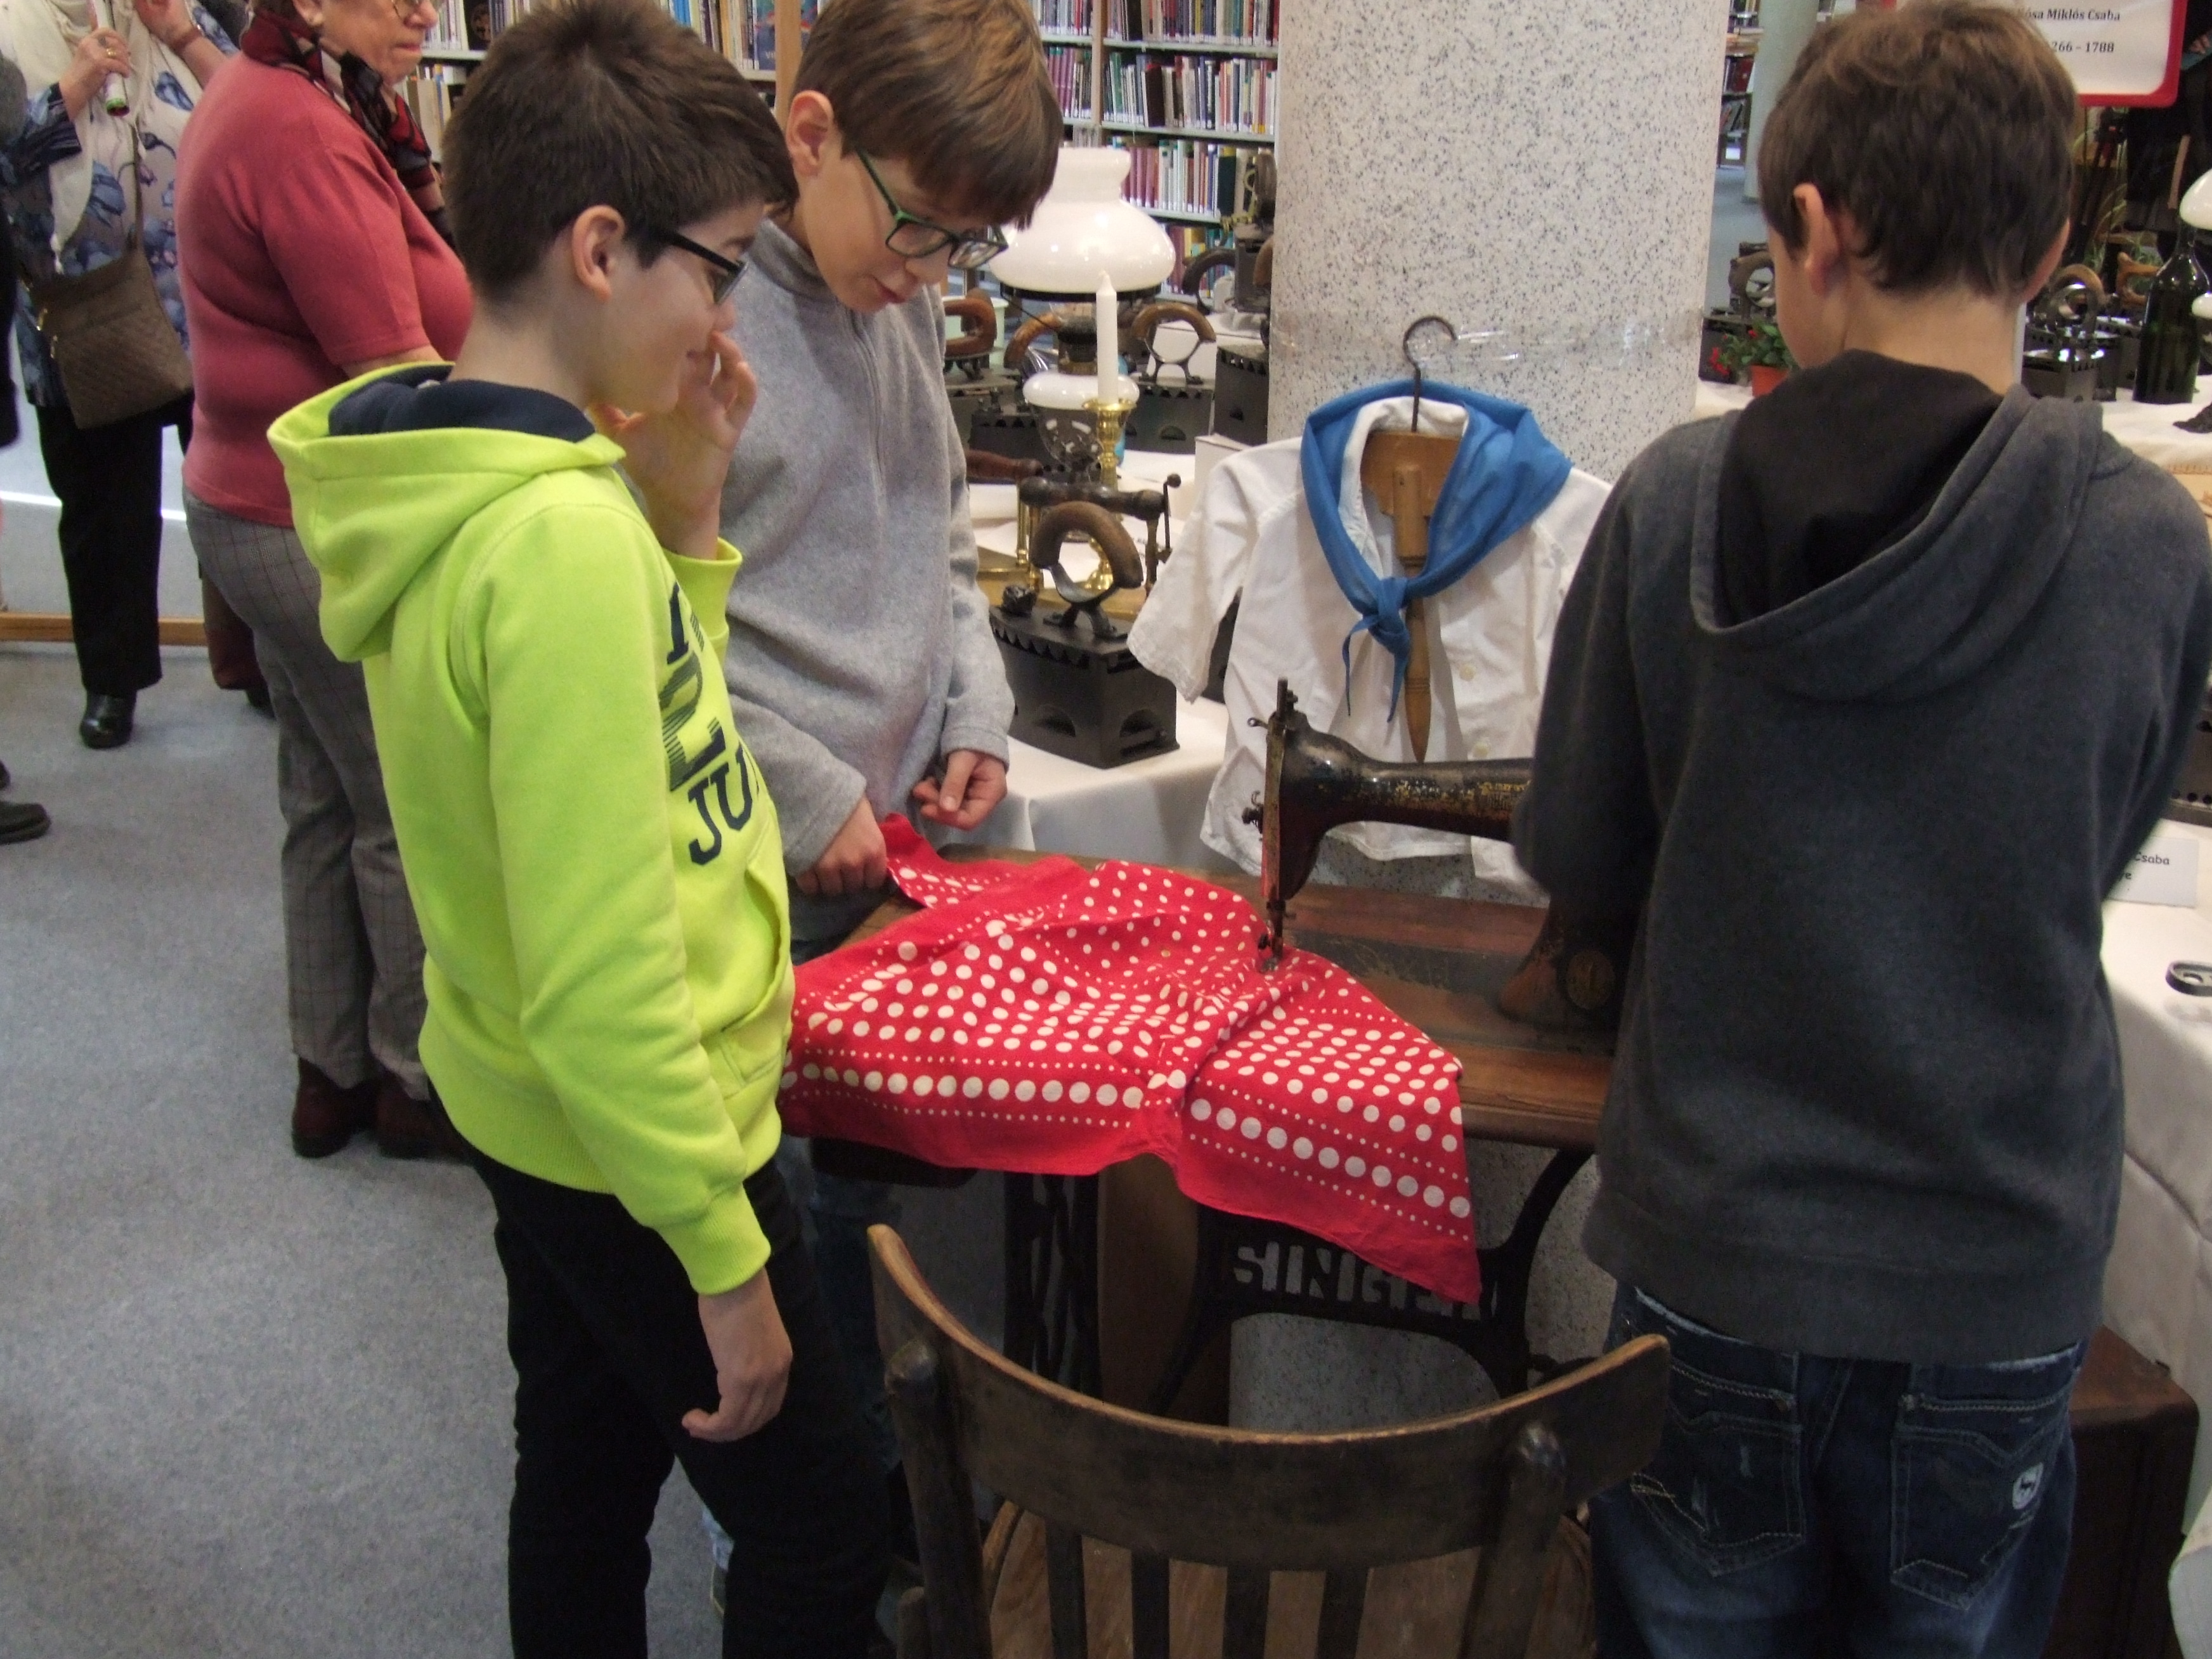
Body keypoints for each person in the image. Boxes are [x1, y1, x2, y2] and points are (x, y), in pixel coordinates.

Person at [1513, 4, 2212, 1652]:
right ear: (2052, 245)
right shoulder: (2148, 545)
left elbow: (1582, 848)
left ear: (1814, 232)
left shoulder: (1677, 499)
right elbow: (2103, 842)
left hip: (1720, 1241)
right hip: (1993, 1260)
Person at [270, 1, 890, 1651]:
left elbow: (645, 749)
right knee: (825, 1526)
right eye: (723, 268)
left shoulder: (466, 472)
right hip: (645, 1137)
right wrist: (725, 1261)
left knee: (587, 1462)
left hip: (537, 1107)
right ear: (605, 250)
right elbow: (606, 965)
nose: (727, 319)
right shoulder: (554, 543)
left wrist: (683, 516)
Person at [705, 0, 1058, 1587]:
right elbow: (651, 634)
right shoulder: (705, 328)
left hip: (900, 843)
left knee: (888, 1207)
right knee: (799, 1219)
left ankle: (901, 1496)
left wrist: (974, 706)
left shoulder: (891, 295)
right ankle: (841, 1543)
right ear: (812, 135)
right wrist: (798, 785)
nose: (930, 271)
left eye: (964, 247)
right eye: (920, 226)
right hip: (775, 863)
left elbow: (939, 543)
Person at [175, 0, 467, 1159]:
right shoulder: (301, 128)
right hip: (307, 525)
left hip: (253, 508)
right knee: (398, 806)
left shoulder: (281, 93)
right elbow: (395, 370)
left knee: (322, 793)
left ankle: (329, 1069)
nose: (422, 9)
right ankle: (410, 1081)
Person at [0, 0, 227, 750]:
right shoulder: (10, 30)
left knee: (232, 493)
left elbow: (254, 111)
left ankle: (255, 660)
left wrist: (178, 33)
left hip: (200, 300)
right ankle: (112, 678)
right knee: (104, 508)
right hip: (82, 309)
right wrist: (71, 88)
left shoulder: (176, 12)